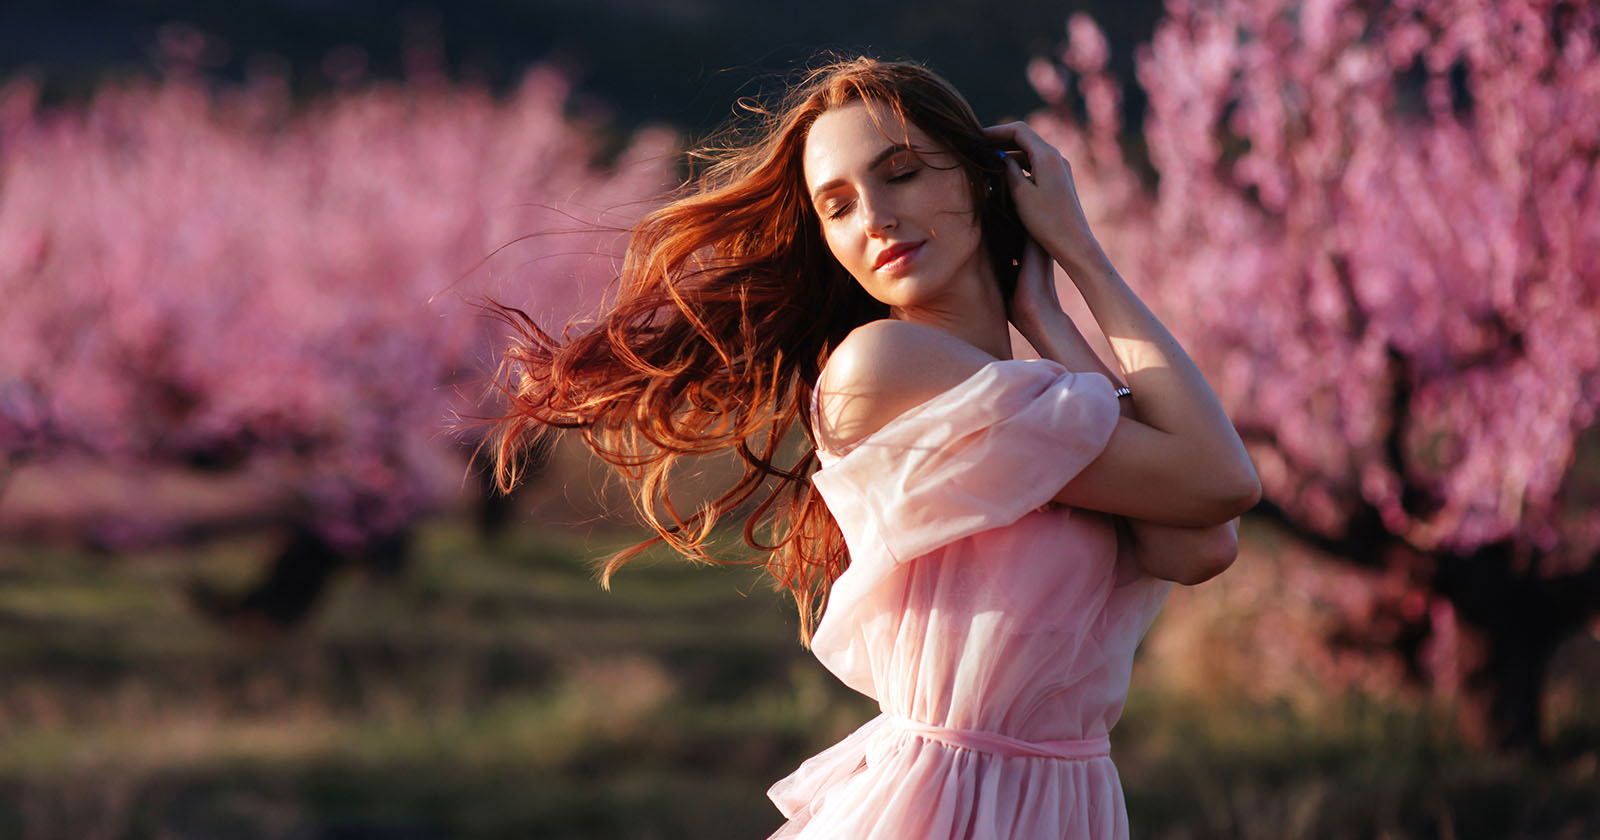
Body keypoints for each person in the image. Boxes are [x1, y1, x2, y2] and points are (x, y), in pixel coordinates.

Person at [480, 56, 1260, 839]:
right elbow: (1220, 480)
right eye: (838, 206)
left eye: (903, 173)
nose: (876, 218)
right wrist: (1085, 259)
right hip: (951, 806)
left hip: (1061, 802)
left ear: (983, 180)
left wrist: (1049, 315)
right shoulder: (883, 368)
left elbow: (1197, 542)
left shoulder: (1033, 392)